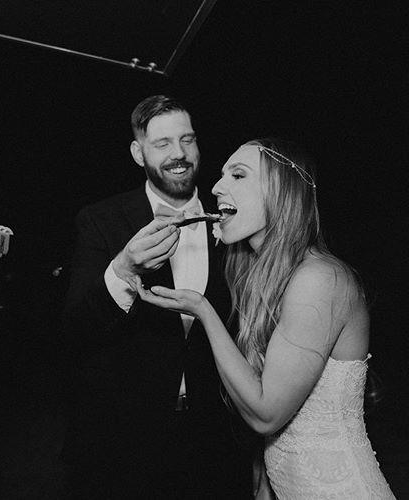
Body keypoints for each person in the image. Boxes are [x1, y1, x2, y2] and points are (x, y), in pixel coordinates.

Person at [136, 137, 396, 498]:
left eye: (238, 175)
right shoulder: (262, 277)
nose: (216, 187)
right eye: (222, 175)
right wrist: (262, 484)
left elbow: (266, 414)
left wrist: (202, 311)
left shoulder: (320, 280)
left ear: (281, 192)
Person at [60, 95, 252, 498]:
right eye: (162, 143)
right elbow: (75, 329)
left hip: (216, 439)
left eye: (187, 140)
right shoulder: (101, 220)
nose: (178, 153)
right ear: (138, 152)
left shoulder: (236, 221)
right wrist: (124, 268)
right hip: (124, 441)